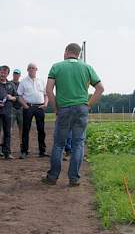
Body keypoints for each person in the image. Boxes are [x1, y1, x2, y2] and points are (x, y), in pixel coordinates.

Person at [42, 43, 104, 187]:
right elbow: (100, 88)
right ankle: (74, 178)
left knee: (58, 144)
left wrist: (55, 108)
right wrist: (88, 105)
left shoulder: (56, 67)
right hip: (81, 108)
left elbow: (49, 90)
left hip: (63, 109)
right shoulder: (87, 67)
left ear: (66, 52)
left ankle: (52, 177)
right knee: (78, 144)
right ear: (78, 53)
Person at [17, 63, 48, 159]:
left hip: (40, 107)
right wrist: (25, 105)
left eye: (33, 68)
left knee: (41, 129)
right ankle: (24, 151)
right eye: (30, 68)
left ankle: (42, 151)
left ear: (36, 69)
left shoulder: (41, 81)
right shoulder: (23, 82)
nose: (32, 70)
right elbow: (19, 96)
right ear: (27, 70)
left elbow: (46, 94)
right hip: (28, 107)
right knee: (26, 129)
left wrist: (46, 104)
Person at [0, 65, 18, 159]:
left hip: (8, 112)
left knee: (7, 133)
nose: (3, 74)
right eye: (1, 72)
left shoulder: (11, 85)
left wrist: (12, 98)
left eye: (5, 73)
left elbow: (16, 97)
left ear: (7, 74)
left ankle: (7, 153)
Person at [11, 69, 23, 148]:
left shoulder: (22, 84)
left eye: (17, 74)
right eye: (15, 74)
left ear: (19, 75)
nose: (16, 75)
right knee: (9, 128)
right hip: (12, 108)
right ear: (13, 75)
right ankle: (5, 145)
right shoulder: (9, 83)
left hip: (21, 108)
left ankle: (22, 145)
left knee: (22, 128)